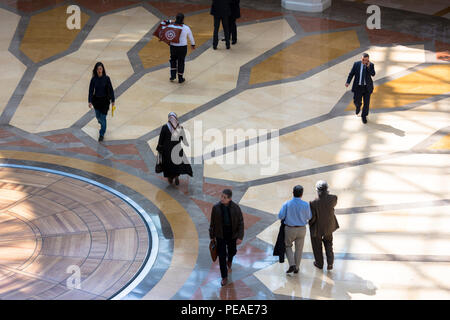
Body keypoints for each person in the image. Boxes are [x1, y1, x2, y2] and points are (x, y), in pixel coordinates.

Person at [209, 189, 244, 286]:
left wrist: (240, 237)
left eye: (225, 197)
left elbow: (241, 222)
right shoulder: (215, 208)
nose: (222, 199)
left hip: (232, 235)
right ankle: (224, 277)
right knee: (221, 256)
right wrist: (212, 236)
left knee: (232, 251)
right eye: (222, 196)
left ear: (230, 199)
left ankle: (230, 260)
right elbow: (212, 223)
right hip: (220, 235)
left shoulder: (236, 208)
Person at [278, 185, 311, 274]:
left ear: (293, 193)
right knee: (299, 249)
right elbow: (309, 217)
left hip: (290, 229)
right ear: (302, 194)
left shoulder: (287, 204)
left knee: (287, 246)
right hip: (302, 230)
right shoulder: (306, 204)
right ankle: (296, 268)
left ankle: (292, 264)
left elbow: (280, 216)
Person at [309, 180, 339, 271]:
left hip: (317, 228)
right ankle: (330, 263)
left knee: (317, 246)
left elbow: (313, 217)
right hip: (329, 227)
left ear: (317, 190)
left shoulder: (313, 202)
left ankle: (319, 263)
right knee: (329, 244)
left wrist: (310, 224)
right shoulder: (333, 198)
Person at [156, 112, 193, 185]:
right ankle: (176, 176)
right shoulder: (179, 127)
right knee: (177, 164)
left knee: (168, 165)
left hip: (167, 151)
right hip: (177, 150)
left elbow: (161, 139)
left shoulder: (165, 127)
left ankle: (170, 178)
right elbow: (183, 139)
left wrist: (159, 147)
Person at [346, 53, 376, 124]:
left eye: (366, 60)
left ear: (368, 60)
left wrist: (368, 67)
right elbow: (351, 74)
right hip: (358, 87)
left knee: (366, 103)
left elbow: (373, 74)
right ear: (361, 59)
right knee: (356, 100)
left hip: (367, 88)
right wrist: (348, 82)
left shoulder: (371, 65)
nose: (364, 62)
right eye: (363, 60)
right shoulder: (356, 64)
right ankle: (358, 106)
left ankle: (364, 116)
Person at [88, 62, 115, 142]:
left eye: (100, 69)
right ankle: (101, 123)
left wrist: (113, 100)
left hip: (105, 101)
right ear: (95, 70)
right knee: (98, 117)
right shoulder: (93, 80)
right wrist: (89, 101)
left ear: (103, 69)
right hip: (96, 101)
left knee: (103, 118)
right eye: (98, 69)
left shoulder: (107, 78)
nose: (99, 70)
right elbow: (90, 91)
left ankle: (101, 134)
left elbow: (111, 90)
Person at [168, 13, 196, 83]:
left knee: (173, 59)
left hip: (173, 46)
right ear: (183, 19)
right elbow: (191, 37)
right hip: (182, 47)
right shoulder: (186, 28)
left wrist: (171, 21)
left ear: (176, 19)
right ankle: (180, 78)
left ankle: (173, 76)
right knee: (181, 61)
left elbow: (164, 24)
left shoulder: (171, 26)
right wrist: (193, 44)